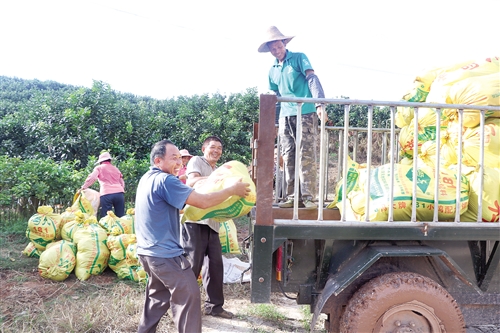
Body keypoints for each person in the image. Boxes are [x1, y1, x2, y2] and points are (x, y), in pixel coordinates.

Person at [135, 139, 250, 333]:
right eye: (174, 158)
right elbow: (203, 201)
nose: (179, 163)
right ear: (158, 161)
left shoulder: (147, 178)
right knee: (188, 296)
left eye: (180, 158)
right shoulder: (166, 180)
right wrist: (232, 190)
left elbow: (175, 208)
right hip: (165, 255)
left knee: (157, 298)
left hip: (147, 254)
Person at [258, 26, 328, 210]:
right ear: (269, 51)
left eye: (279, 47)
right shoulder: (272, 69)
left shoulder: (299, 57)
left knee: (306, 154)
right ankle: (292, 196)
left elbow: (312, 78)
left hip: (305, 111)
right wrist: (272, 122)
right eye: (273, 49)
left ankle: (309, 197)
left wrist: (320, 104)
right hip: (285, 116)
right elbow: (274, 96)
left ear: (284, 44)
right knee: (288, 155)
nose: (276, 51)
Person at [181, 136, 233, 319]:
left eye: (219, 148)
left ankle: (214, 307)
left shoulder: (218, 169)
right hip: (195, 221)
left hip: (212, 223)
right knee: (191, 265)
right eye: (212, 147)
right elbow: (192, 181)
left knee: (215, 266)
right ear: (204, 148)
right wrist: (219, 179)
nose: (216, 151)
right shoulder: (196, 160)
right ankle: (182, 307)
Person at [80, 151, 125, 218]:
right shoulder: (116, 169)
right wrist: (121, 190)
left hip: (106, 194)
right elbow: (122, 182)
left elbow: (92, 177)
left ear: (100, 161)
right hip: (119, 194)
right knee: (120, 216)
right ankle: (120, 228)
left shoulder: (99, 168)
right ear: (110, 160)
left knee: (106, 217)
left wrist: (84, 187)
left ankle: (108, 228)